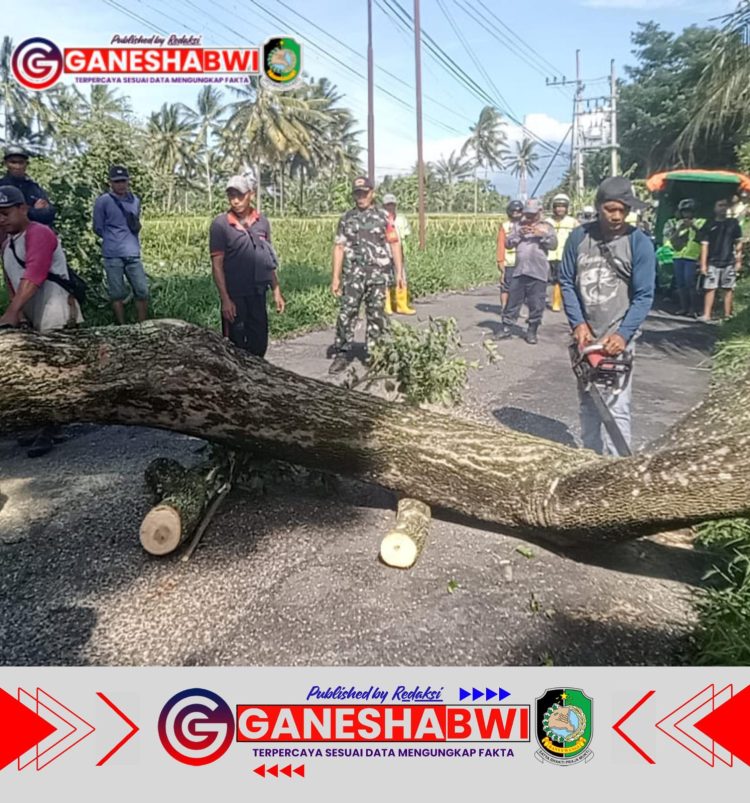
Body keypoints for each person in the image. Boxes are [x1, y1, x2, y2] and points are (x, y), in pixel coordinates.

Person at [559, 176, 655, 456]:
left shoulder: (639, 244)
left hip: (617, 337)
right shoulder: (579, 238)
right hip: (586, 337)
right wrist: (577, 323)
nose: (616, 216)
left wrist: (623, 335)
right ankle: (590, 459)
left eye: (622, 210)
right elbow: (566, 281)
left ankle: (617, 468)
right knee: (589, 402)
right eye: (610, 209)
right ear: (598, 206)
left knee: (616, 406)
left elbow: (644, 296)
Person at [0, 185, 83, 457]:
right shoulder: (8, 244)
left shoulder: (39, 234)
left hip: (55, 303)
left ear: (23, 209)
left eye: (6, 212)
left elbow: (34, 274)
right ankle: (47, 424)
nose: (2, 219)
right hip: (33, 306)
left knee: (52, 366)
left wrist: (12, 312)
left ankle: (50, 427)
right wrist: (19, 313)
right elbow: (13, 282)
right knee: (37, 366)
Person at [329, 176, 403, 374]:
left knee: (377, 315)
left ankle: (374, 354)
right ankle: (342, 352)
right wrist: (335, 277)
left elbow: (394, 243)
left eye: (364, 193)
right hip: (353, 275)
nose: (360, 196)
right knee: (347, 313)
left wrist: (400, 272)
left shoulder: (384, 217)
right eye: (357, 193)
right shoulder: (347, 218)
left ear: (372, 193)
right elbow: (339, 247)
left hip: (378, 275)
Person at [209, 174, 285, 357]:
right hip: (235, 295)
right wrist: (225, 299)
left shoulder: (262, 222)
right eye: (231, 196)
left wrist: (276, 290)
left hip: (258, 292)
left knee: (259, 343)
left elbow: (267, 260)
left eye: (240, 195)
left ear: (250, 194)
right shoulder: (221, 225)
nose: (235, 201)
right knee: (235, 348)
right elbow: (217, 265)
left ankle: (257, 382)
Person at [93, 165, 149, 323]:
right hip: (112, 254)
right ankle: (121, 324)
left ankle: (142, 324)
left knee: (142, 290)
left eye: (123, 181)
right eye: (117, 182)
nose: (121, 185)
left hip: (132, 252)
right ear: (110, 182)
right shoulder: (103, 201)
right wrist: (112, 238)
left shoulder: (135, 200)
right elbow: (98, 227)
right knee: (116, 293)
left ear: (128, 181)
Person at [497, 199, 557, 345]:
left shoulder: (547, 227)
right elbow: (508, 244)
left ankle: (532, 330)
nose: (529, 218)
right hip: (520, 270)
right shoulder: (518, 225)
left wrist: (541, 235)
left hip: (538, 272)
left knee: (536, 304)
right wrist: (518, 235)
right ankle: (507, 328)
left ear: (540, 212)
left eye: (532, 215)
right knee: (513, 301)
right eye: (527, 214)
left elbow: (554, 245)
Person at [698, 198, 743, 322]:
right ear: (715, 208)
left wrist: (738, 261)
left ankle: (727, 316)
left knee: (728, 288)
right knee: (710, 288)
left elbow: (738, 243)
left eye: (725, 205)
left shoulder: (733, 223)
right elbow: (704, 245)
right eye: (720, 205)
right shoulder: (709, 224)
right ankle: (707, 314)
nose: (723, 208)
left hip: (729, 261)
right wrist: (703, 264)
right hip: (713, 261)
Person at [663, 199, 705, 317]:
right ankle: (683, 307)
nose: (687, 214)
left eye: (689, 211)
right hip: (678, 255)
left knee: (690, 283)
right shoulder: (678, 223)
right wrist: (679, 229)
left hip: (692, 256)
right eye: (684, 212)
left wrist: (693, 226)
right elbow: (672, 239)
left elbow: (703, 237)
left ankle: (693, 308)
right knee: (680, 283)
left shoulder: (701, 222)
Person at [1, 145, 56, 227]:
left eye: (21, 162)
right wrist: (32, 211)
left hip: (33, 233)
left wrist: (26, 212)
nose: (17, 166)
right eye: (13, 162)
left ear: (26, 164)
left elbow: (49, 213)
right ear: (6, 163)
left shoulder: (33, 187)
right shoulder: (1, 186)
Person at [382, 192, 415, 315]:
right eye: (387, 205)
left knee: (401, 276)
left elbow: (405, 237)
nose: (390, 208)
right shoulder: (381, 219)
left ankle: (401, 305)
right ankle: (387, 305)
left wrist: (405, 250)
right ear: (383, 206)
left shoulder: (401, 219)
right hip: (384, 252)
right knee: (385, 279)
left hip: (399, 251)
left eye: (392, 205)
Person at [545, 193, 579, 312]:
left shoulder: (573, 222)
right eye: (557, 206)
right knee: (547, 280)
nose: (560, 209)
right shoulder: (547, 222)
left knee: (561, 280)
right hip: (549, 255)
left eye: (563, 206)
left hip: (564, 255)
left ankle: (556, 303)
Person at [496, 200, 523, 312]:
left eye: (518, 211)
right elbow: (500, 245)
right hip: (509, 262)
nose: (516, 214)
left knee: (520, 288)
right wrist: (500, 262)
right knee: (506, 287)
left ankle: (516, 310)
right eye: (514, 211)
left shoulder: (525, 226)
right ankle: (504, 309)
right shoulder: (505, 226)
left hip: (522, 262)